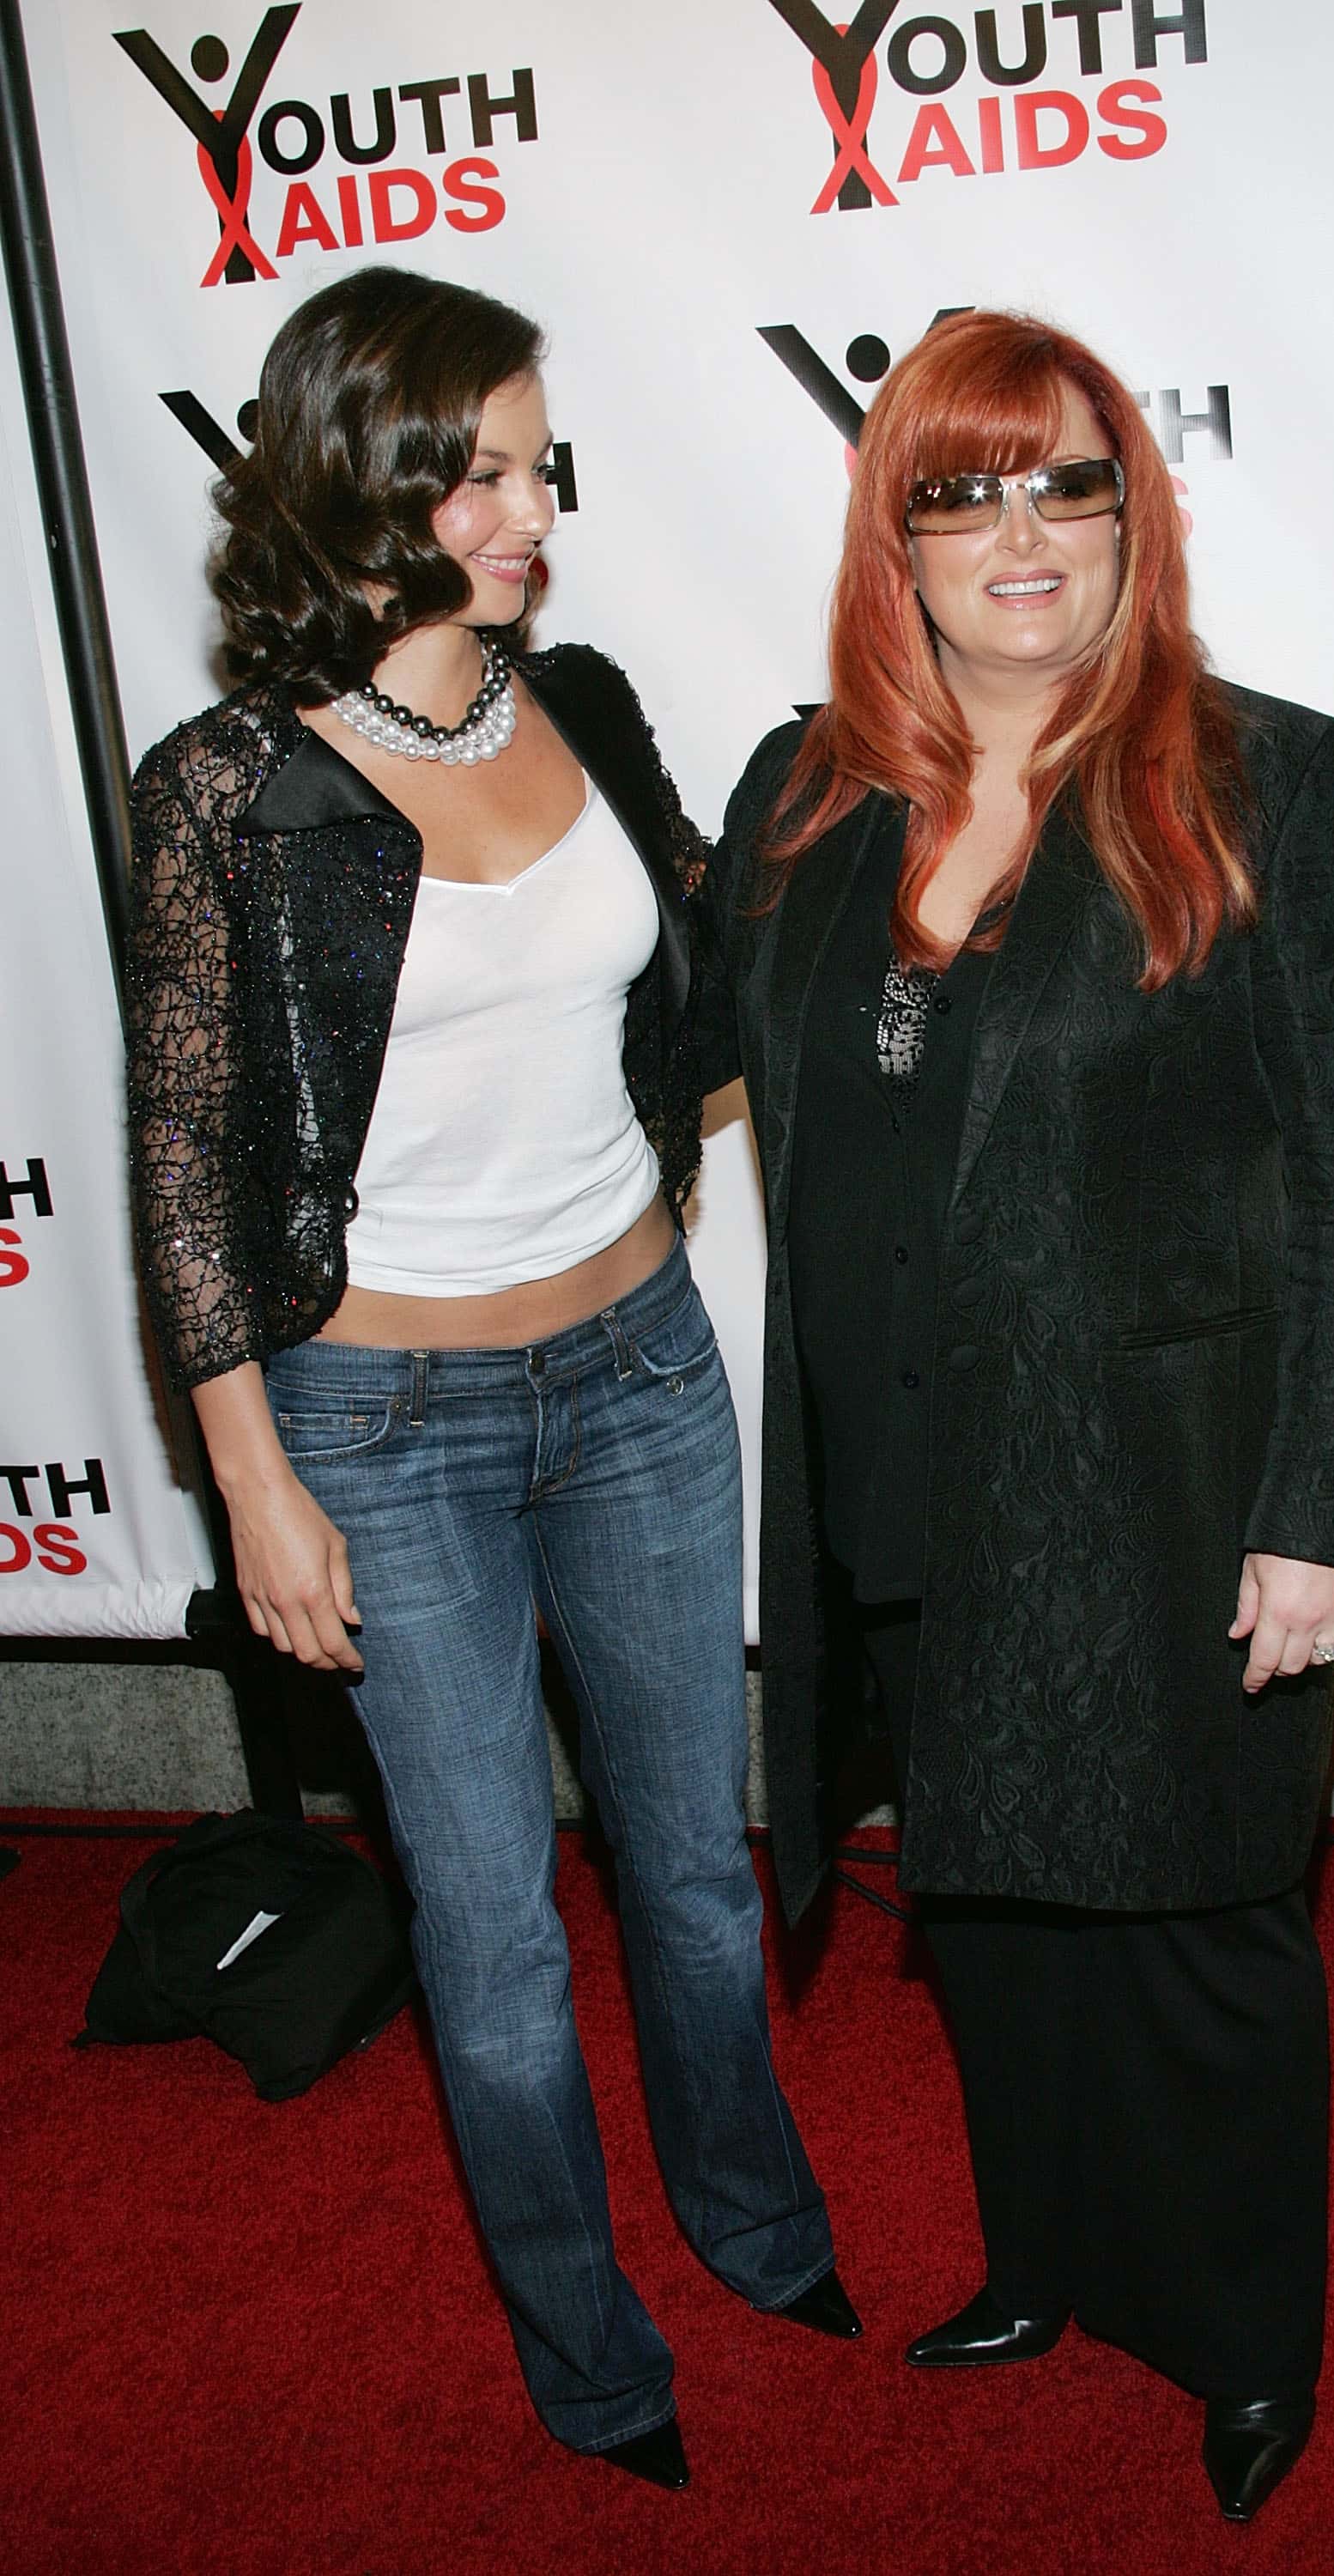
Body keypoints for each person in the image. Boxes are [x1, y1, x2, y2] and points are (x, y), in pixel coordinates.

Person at [124, 266, 858, 2495]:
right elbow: (187, 1169)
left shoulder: (593, 705)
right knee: (493, 1937)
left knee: (698, 1877)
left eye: (541, 464)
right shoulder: (228, 793)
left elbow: (708, 981)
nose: (533, 507)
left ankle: (749, 2221)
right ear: (366, 475)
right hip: (384, 1429)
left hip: (635, 1366)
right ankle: (584, 2351)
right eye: (488, 469)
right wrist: (255, 1483)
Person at [700, 309, 1334, 2524]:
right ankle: (1044, 2259)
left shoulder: (1274, 777)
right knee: (993, 1912)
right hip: (904, 1470)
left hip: (1171, 1486)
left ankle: (1238, 2337)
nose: (1020, 533)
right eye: (962, 490)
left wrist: (1327, 1508)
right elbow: (676, 1061)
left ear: (1133, 516)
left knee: (1199, 1920)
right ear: (893, 540)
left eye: (1066, 483)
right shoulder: (800, 792)